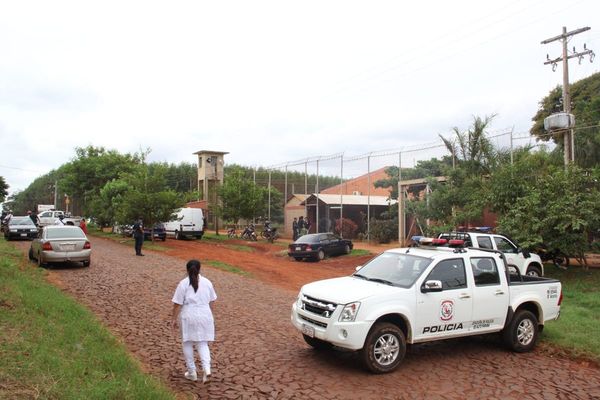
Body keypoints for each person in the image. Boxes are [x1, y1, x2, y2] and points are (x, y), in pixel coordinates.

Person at [171, 259, 217, 384]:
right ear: (199, 269)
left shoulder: (183, 283)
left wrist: (173, 319)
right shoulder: (207, 282)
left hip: (188, 315)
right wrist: (210, 315)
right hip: (205, 314)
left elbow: (177, 304)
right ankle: (207, 369)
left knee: (187, 342)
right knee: (203, 343)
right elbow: (212, 300)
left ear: (187, 270)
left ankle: (192, 372)